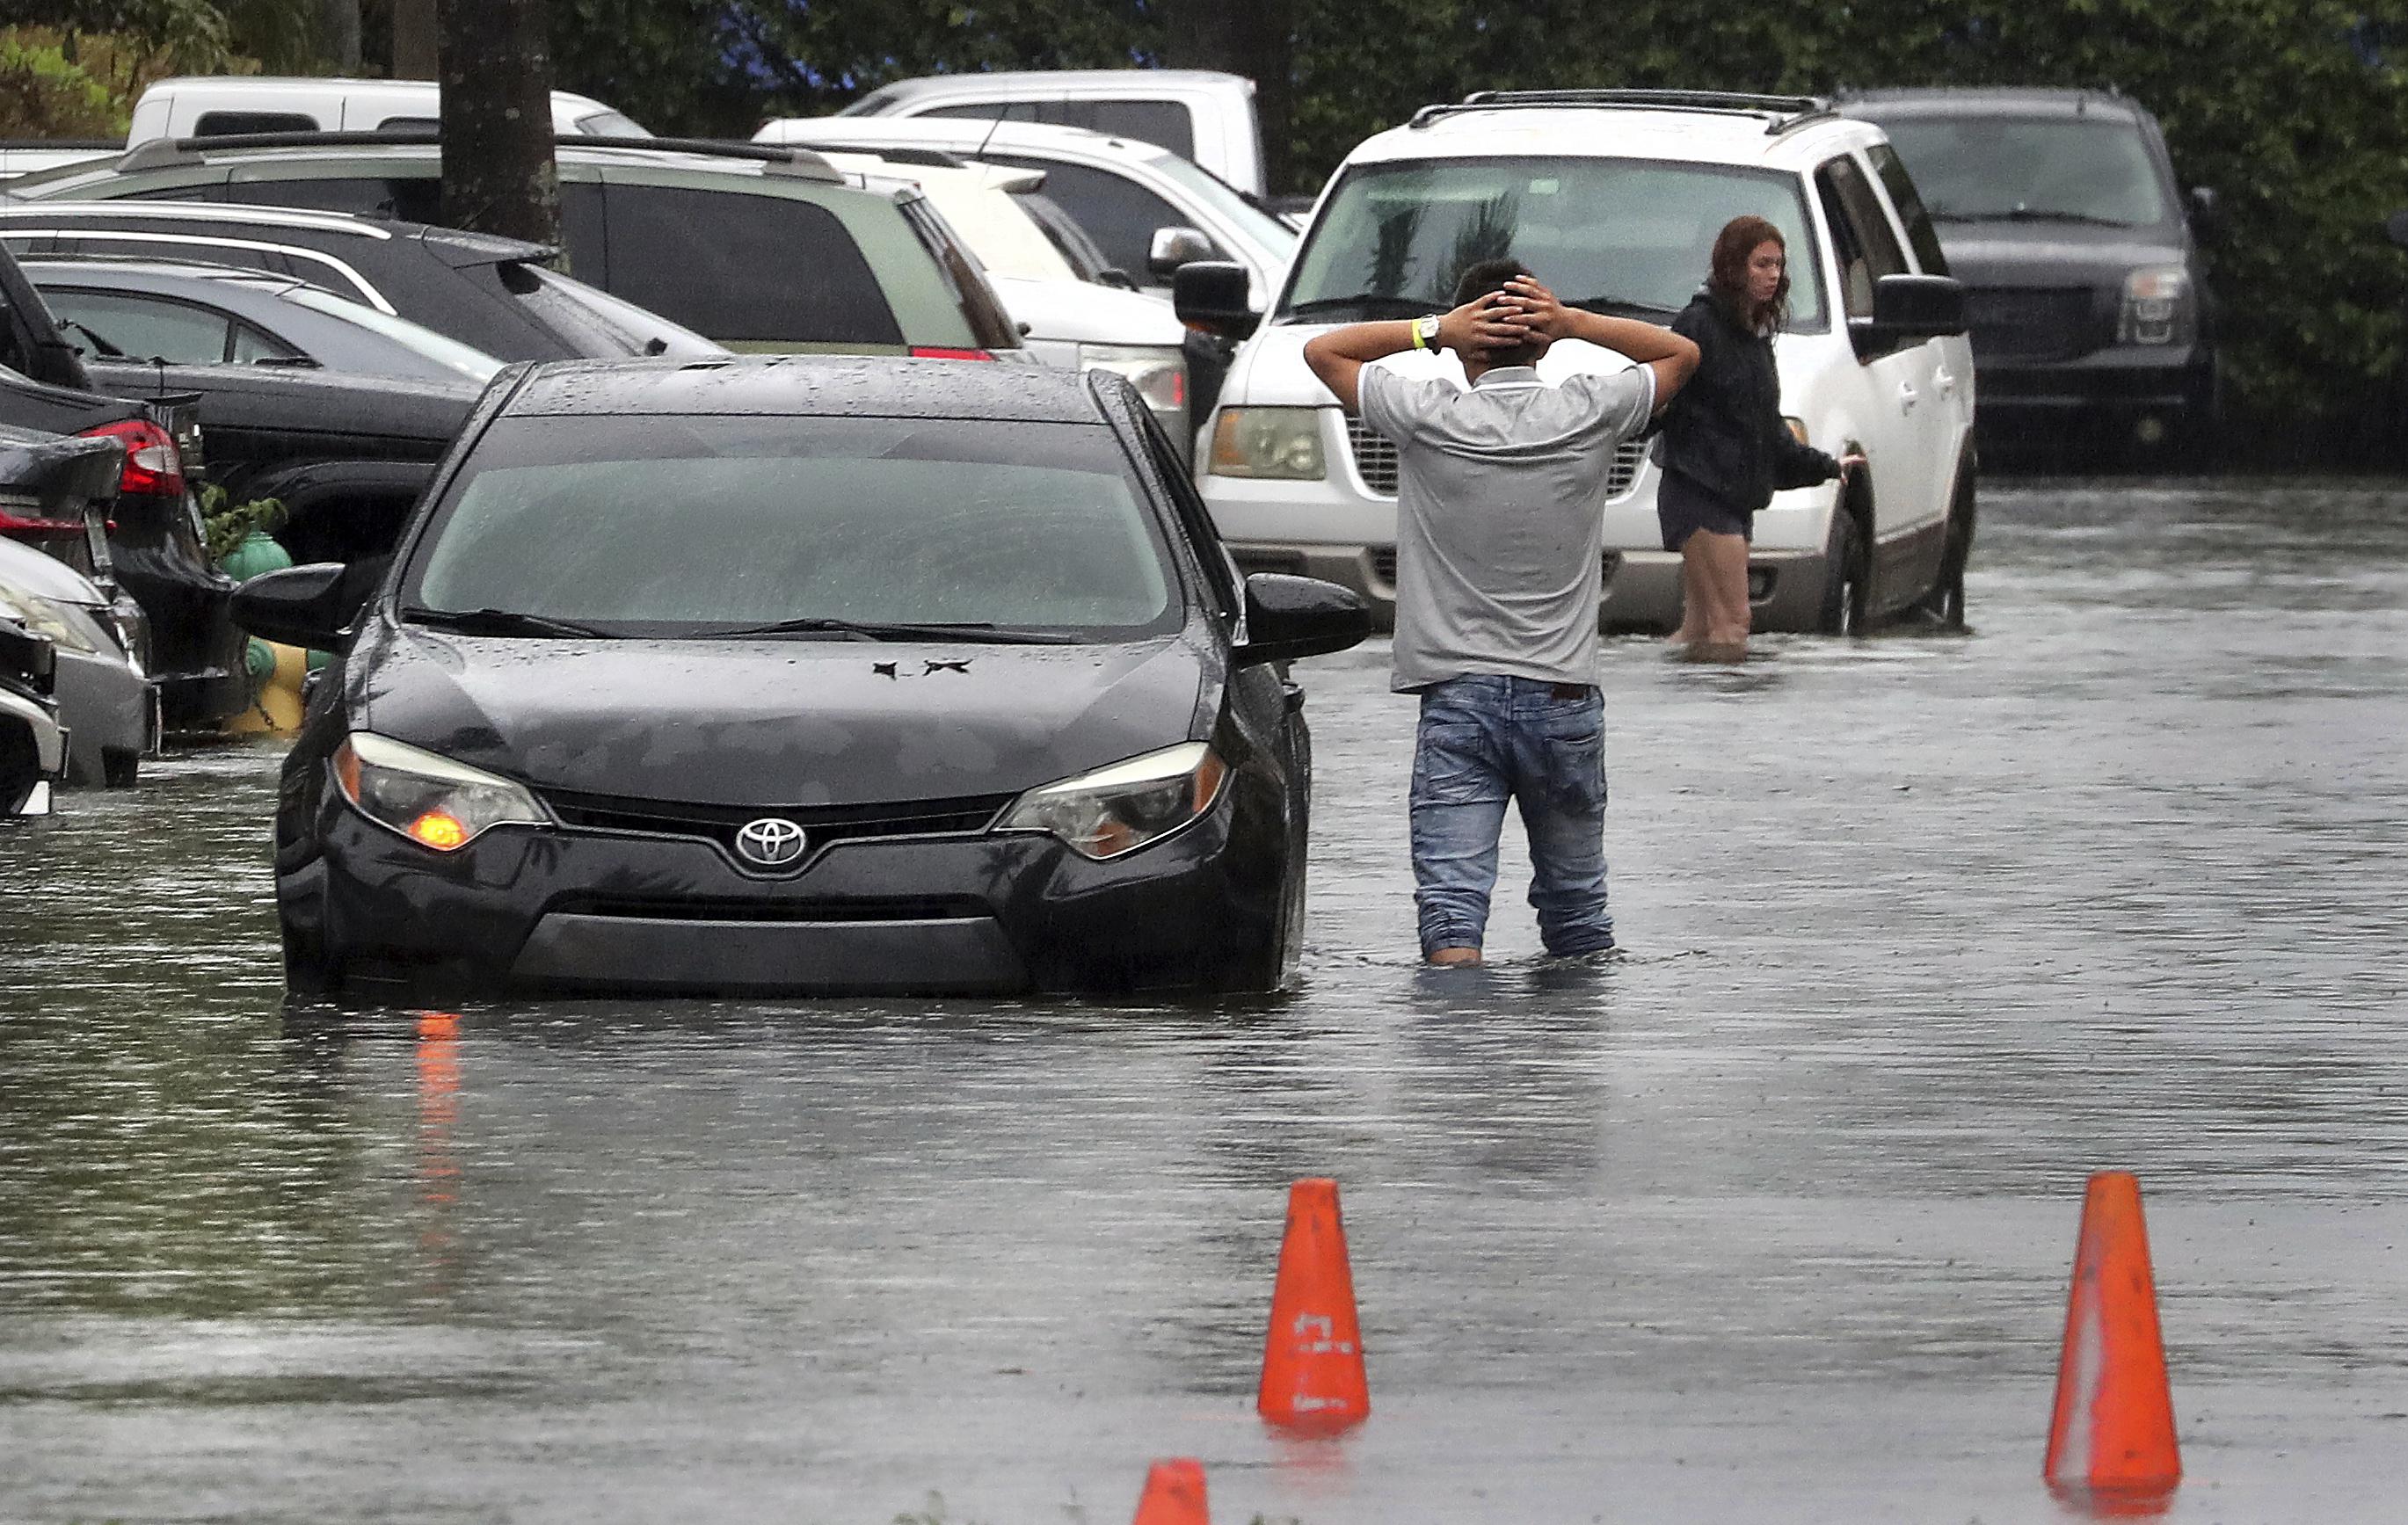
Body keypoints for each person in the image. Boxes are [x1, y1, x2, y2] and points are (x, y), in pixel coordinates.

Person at [1303, 258, 1699, 967]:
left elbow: (1322, 351)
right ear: (1541, 342)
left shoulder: (1425, 416)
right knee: (1578, 913)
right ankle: (1571, 1070)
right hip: (1564, 697)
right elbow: (1681, 353)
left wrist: (1432, 332)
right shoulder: (1590, 408)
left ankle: (1456, 1069)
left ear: (1465, 340)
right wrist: (1573, 321)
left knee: (1451, 917)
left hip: (1458, 699)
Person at [1656, 214, 1858, 660]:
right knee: (1733, 623)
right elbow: (1662, 397)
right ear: (1734, 267)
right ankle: (1729, 724)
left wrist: (1825, 466)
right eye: (1761, 264)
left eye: (1778, 265)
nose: (1773, 275)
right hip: (1698, 490)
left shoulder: (1754, 338)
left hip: (1732, 495)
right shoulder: (1698, 325)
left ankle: (1684, 712)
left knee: (1701, 627)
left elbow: (1766, 430)